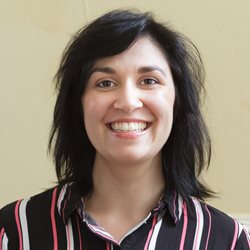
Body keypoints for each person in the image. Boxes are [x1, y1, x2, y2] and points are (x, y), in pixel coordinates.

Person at [0, 9, 249, 250]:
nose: (128, 101)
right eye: (105, 83)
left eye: (149, 81)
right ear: (78, 104)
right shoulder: (15, 231)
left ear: (178, 102)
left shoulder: (225, 240)